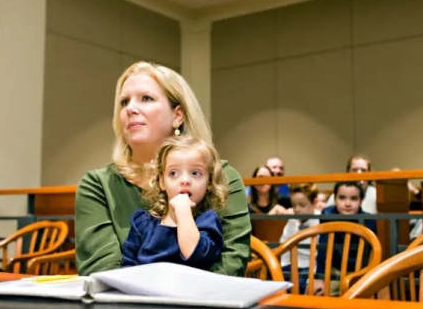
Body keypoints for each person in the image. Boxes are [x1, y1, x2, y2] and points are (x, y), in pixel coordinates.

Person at [75, 61, 251, 277]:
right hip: (125, 308)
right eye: (124, 102)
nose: (130, 109)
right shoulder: (97, 185)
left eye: (146, 98)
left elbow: (231, 265)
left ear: (178, 115)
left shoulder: (220, 176)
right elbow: (103, 273)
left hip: (205, 306)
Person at [121, 136, 227, 270]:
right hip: (143, 290)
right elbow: (127, 268)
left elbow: (197, 256)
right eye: (173, 173)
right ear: (162, 182)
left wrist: (183, 212)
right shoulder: (143, 223)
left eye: (195, 173)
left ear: (209, 182)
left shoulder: (207, 222)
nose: (185, 180)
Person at [314, 181, 377, 297]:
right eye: (342, 198)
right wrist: (319, 277)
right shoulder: (328, 216)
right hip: (334, 271)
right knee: (326, 300)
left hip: (360, 273)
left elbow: (373, 255)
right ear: (334, 199)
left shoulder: (369, 221)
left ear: (361, 201)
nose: (347, 204)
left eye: (353, 199)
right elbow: (323, 249)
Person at [278, 183, 321, 294]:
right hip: (292, 265)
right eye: (294, 205)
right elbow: (284, 246)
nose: (297, 209)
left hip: (311, 267)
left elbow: (320, 255)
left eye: (302, 205)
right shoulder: (292, 221)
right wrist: (283, 268)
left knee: (299, 286)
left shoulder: (321, 222)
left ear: (314, 203)